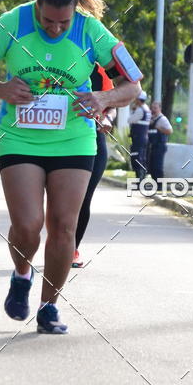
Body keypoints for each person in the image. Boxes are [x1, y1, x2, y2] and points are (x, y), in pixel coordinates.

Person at [0, 0, 142, 334]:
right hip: (20, 137)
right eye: (48, 21)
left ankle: (49, 307)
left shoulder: (91, 30)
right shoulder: (12, 23)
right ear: (37, 5)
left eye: (63, 23)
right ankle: (21, 273)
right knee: (28, 226)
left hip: (74, 139)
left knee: (64, 227)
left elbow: (133, 86)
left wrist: (102, 97)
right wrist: (1, 88)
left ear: (75, 11)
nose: (56, 29)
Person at [72, 63, 115, 268]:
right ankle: (57, 244)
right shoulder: (54, 59)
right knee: (59, 200)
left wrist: (107, 118)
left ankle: (72, 249)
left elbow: (112, 104)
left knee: (83, 198)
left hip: (94, 141)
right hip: (57, 141)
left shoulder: (100, 69)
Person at [147, 100, 173, 181]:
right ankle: (154, 182)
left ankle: (159, 184)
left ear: (160, 108)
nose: (153, 110)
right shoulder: (151, 119)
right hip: (152, 146)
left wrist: (159, 128)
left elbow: (170, 131)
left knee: (157, 166)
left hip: (160, 146)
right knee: (152, 166)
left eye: (155, 108)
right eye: (152, 108)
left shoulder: (162, 119)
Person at [128, 90, 150, 180]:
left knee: (137, 157)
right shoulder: (146, 109)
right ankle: (141, 178)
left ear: (139, 99)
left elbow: (130, 120)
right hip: (143, 137)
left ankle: (140, 178)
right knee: (141, 157)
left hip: (138, 138)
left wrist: (133, 111)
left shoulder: (140, 110)